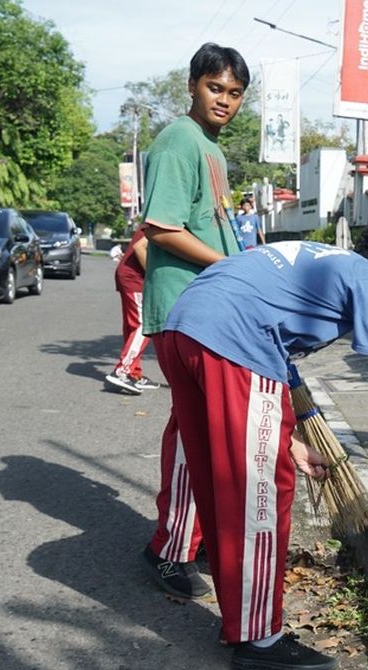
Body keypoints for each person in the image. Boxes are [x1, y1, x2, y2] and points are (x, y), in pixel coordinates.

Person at [154, 219, 368, 670]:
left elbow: (277, 354)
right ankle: (259, 637)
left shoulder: (321, 257)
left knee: (214, 468)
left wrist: (289, 439)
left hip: (183, 330)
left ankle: (207, 562)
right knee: (262, 489)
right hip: (233, 340)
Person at [138, 42, 249, 598]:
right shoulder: (179, 142)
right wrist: (232, 265)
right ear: (192, 85)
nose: (224, 100)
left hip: (209, 308)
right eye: (215, 88)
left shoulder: (211, 147)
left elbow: (208, 225)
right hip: (184, 308)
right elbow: (161, 228)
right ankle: (168, 547)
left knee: (202, 430)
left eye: (233, 93)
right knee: (193, 431)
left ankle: (193, 532)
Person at [106, 227, 161, 395]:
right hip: (134, 278)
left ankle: (133, 373)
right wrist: (154, 277)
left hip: (128, 275)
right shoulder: (165, 219)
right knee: (143, 325)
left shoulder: (155, 216)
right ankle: (123, 371)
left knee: (133, 326)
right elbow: (139, 247)